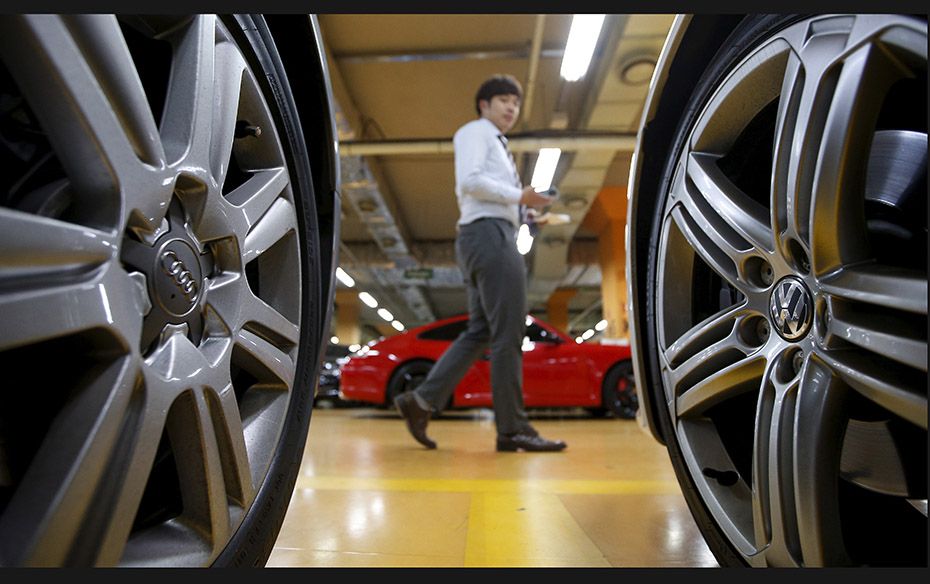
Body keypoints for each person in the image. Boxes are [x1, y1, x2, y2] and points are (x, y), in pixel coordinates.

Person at [394, 74, 566, 453]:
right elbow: (470, 181)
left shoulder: (497, 146)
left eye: (516, 103)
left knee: (481, 331)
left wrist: (524, 213)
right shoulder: (476, 132)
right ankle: (512, 429)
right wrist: (519, 195)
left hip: (485, 234)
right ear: (483, 105)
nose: (511, 108)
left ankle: (421, 401)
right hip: (488, 237)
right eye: (503, 99)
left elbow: (487, 192)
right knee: (508, 333)